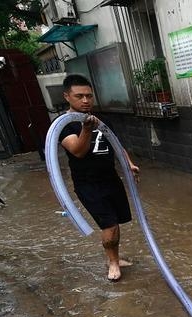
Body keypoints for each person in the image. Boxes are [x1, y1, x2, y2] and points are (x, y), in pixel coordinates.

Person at [58, 74, 139, 282]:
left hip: (111, 180)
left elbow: (116, 144)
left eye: (89, 96)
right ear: (67, 96)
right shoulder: (64, 125)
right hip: (88, 185)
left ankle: (115, 257)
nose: (85, 101)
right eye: (79, 96)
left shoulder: (103, 120)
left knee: (117, 223)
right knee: (109, 225)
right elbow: (77, 150)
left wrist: (128, 164)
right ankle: (112, 263)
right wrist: (86, 129)